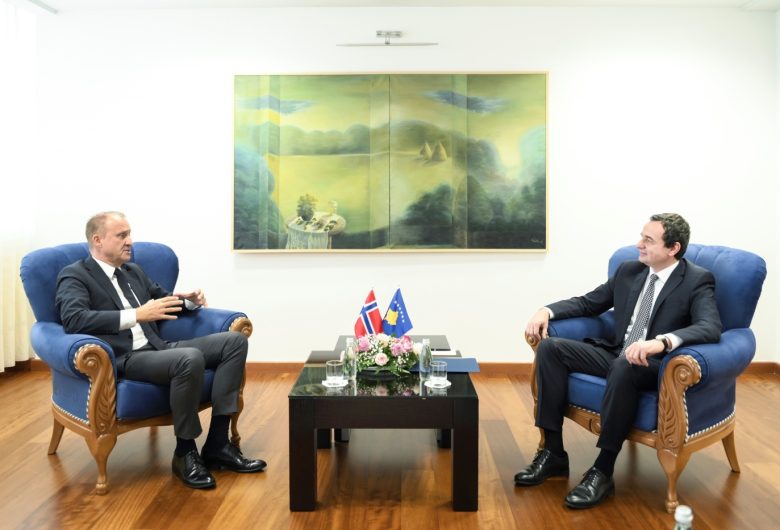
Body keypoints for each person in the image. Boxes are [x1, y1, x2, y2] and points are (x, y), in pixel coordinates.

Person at [516, 213, 721, 508]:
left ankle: (603, 470)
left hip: (656, 364)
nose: (639, 244)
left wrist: (662, 341)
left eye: (648, 240)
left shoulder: (697, 280)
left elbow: (710, 326)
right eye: (641, 237)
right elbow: (589, 302)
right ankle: (553, 453)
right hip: (617, 352)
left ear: (673, 248)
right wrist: (545, 311)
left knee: (626, 364)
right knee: (551, 349)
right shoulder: (630, 270)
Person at [56, 211, 266, 490]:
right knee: (189, 358)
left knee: (234, 342)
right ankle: (185, 452)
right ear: (97, 240)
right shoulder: (75, 275)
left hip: (158, 347)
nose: (130, 241)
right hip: (124, 357)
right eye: (122, 235)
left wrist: (189, 301)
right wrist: (136, 315)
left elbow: (163, 301)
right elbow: (74, 319)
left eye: (129, 234)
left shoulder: (132, 271)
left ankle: (218, 444)